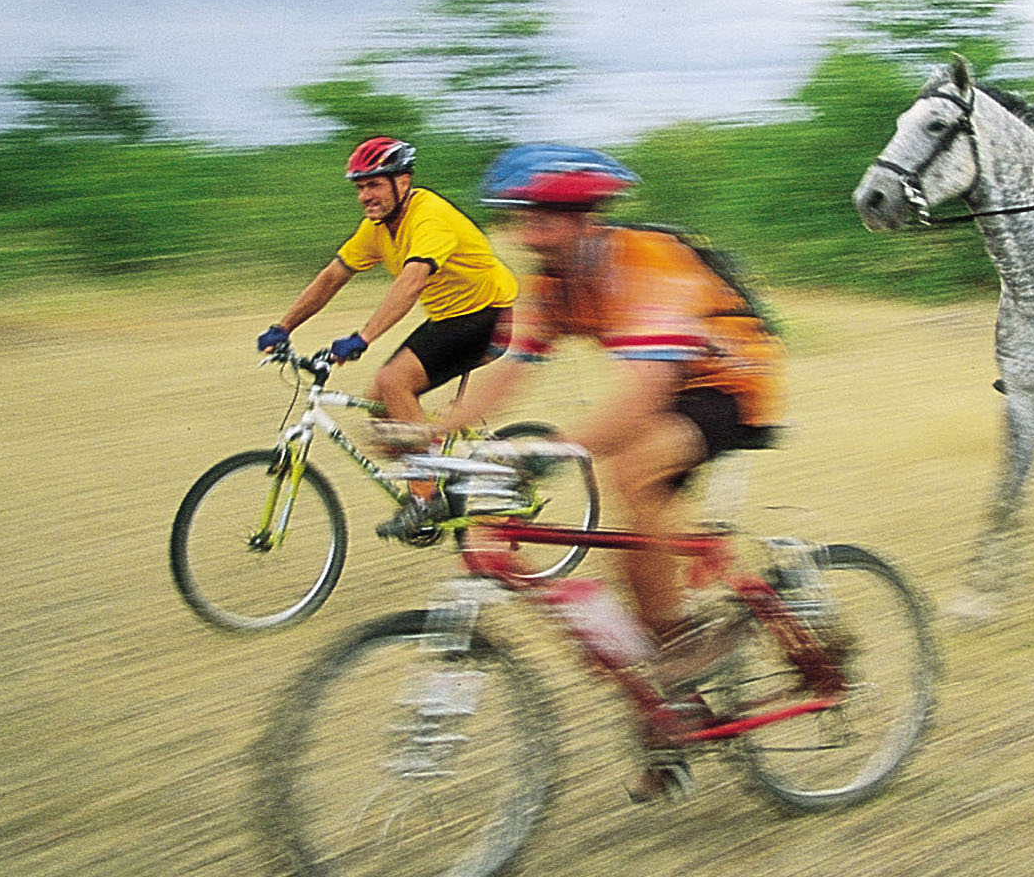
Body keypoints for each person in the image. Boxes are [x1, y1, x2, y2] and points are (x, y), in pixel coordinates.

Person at [413, 143, 785, 687]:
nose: (527, 236)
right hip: (673, 383)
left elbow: (641, 399)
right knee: (631, 555)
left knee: (633, 467)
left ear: (581, 217)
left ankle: (685, 644)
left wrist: (549, 449)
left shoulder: (644, 260)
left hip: (732, 380)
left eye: (540, 221)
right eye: (520, 220)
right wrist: (429, 430)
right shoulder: (553, 283)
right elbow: (513, 365)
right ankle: (671, 704)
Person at [256, 136, 519, 422]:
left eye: (374, 185)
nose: (364, 196)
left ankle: (428, 465)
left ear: (403, 182)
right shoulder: (377, 228)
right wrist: (283, 327)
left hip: (488, 316)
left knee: (394, 383)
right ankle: (426, 459)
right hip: (448, 319)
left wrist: (362, 338)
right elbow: (332, 277)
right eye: (360, 187)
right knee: (379, 408)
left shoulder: (430, 218)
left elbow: (411, 283)